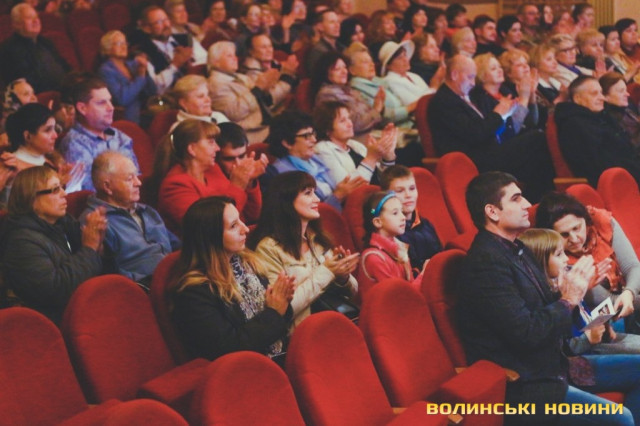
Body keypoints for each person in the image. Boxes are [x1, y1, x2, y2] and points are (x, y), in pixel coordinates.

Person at [457, 171, 639, 426]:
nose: (526, 204)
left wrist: (577, 294)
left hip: (560, 365)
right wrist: (568, 299)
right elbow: (528, 333)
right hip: (531, 386)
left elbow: (549, 309)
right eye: (516, 199)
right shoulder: (485, 264)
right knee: (621, 418)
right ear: (493, 212)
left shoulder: (516, 248)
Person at [170, 196, 294, 361]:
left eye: (240, 220)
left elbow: (280, 321)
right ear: (211, 236)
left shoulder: (248, 263)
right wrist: (275, 312)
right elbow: (229, 347)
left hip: (281, 353)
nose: (245, 229)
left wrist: (283, 301)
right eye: (234, 226)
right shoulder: (193, 292)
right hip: (245, 368)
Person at [428, 54, 554, 202]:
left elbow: (492, 130)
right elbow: (475, 134)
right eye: (470, 77)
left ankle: (538, 200)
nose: (473, 83)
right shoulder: (444, 101)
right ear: (455, 75)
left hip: (489, 150)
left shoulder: (467, 96)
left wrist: (505, 115)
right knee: (536, 140)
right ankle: (542, 200)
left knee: (535, 146)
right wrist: (498, 114)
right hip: (472, 160)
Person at [250, 171, 358, 329]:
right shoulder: (268, 248)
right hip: (302, 332)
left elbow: (353, 291)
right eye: (308, 193)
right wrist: (327, 272)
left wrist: (342, 276)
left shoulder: (316, 238)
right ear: (286, 201)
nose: (317, 199)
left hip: (334, 322)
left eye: (314, 192)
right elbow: (282, 310)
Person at [1, 166, 106, 324]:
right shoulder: (21, 242)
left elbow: (97, 269)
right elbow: (56, 291)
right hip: (49, 323)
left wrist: (99, 245)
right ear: (32, 200)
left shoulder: (63, 223)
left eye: (62, 187)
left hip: (81, 309)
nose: (64, 194)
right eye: (55, 190)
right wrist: (90, 248)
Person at [520, 227, 640, 355]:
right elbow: (562, 346)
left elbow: (584, 320)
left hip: (598, 341)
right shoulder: (547, 297)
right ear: (540, 261)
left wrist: (603, 324)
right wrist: (588, 339)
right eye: (559, 254)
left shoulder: (566, 281)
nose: (566, 259)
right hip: (586, 351)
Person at [536, 191, 640, 332]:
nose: (575, 239)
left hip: (628, 297)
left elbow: (632, 266)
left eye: (577, 228)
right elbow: (609, 302)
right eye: (564, 235)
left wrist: (629, 292)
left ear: (585, 219)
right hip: (602, 322)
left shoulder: (601, 222)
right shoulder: (557, 259)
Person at [83, 151, 180, 289]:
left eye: (136, 176)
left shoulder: (147, 211)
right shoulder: (95, 222)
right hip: (146, 288)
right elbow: (110, 274)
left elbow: (178, 246)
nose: (138, 183)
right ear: (107, 187)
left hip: (176, 277)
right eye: (130, 179)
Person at [154, 119, 264, 234]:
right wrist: (237, 185)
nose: (217, 148)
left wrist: (249, 182)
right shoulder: (174, 185)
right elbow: (210, 228)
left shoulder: (213, 169)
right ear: (192, 149)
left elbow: (251, 215)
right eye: (211, 142)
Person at [263, 110, 365, 211]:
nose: (314, 140)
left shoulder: (315, 159)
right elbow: (307, 213)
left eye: (313, 134)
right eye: (307, 136)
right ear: (287, 143)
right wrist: (338, 196)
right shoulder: (282, 174)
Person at [554, 75, 640, 187]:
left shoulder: (600, 116)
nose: (602, 98)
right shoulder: (575, 125)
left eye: (601, 93)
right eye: (594, 94)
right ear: (578, 98)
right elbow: (599, 165)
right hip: (614, 182)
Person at [58, 78, 139, 192]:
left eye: (110, 101)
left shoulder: (121, 137)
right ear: (82, 108)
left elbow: (136, 178)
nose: (111, 108)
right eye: (102, 103)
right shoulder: (74, 143)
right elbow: (89, 191)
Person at [358, 190, 422, 301]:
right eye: (395, 213)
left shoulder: (400, 247)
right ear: (377, 222)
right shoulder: (374, 259)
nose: (403, 217)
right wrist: (424, 276)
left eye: (401, 211)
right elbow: (399, 298)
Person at [314, 101, 396, 186]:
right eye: (342, 121)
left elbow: (384, 181)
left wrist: (388, 158)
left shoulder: (355, 145)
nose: (350, 124)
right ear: (327, 129)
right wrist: (371, 158)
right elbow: (348, 188)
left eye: (349, 118)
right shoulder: (323, 150)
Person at [379, 165, 441, 272]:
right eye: (400, 191)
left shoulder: (426, 224)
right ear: (386, 196)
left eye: (412, 189)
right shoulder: (389, 234)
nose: (408, 195)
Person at [207, 41, 269, 144]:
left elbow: (267, 101)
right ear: (216, 62)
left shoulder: (241, 77)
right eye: (229, 56)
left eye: (235, 55)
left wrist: (268, 88)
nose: (235, 58)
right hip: (251, 132)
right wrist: (257, 89)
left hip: (264, 123)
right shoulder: (215, 84)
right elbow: (235, 113)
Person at [0, 3, 70, 93]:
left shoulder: (45, 42)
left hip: (63, 90)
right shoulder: (8, 49)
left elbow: (63, 65)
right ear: (17, 24)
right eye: (29, 18)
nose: (36, 21)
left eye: (37, 17)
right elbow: (24, 83)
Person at [312, 51, 382, 136]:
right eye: (337, 69)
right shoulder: (328, 94)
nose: (344, 72)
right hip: (351, 138)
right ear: (326, 73)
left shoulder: (348, 90)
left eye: (344, 67)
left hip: (367, 132)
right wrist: (376, 109)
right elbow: (354, 124)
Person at [346, 42, 415, 128]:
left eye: (371, 61)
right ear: (352, 70)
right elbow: (382, 117)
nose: (372, 64)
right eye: (365, 62)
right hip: (395, 131)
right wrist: (410, 108)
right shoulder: (355, 91)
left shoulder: (378, 81)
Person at [129, 5, 194, 94]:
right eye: (159, 22)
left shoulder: (185, 39)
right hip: (168, 98)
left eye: (166, 20)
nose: (166, 25)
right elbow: (155, 88)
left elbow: (205, 62)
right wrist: (175, 65)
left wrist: (190, 63)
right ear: (147, 29)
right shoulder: (143, 52)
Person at [97, 30, 157, 125]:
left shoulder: (132, 65)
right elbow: (122, 99)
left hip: (146, 111)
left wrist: (144, 69)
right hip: (127, 118)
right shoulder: (106, 71)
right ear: (108, 48)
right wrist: (140, 77)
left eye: (125, 43)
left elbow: (153, 91)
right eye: (119, 44)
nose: (124, 47)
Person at [241, 33, 299, 116]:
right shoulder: (251, 73)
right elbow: (270, 100)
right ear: (251, 52)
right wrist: (287, 76)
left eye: (270, 46)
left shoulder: (274, 63)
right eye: (263, 47)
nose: (269, 50)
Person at [379, 40, 434, 106]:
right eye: (399, 58)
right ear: (389, 66)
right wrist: (434, 86)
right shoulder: (390, 81)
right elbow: (412, 103)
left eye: (405, 55)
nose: (405, 59)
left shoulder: (413, 75)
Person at [601, 71, 640, 151]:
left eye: (625, 90)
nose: (627, 94)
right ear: (605, 96)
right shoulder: (610, 120)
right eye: (621, 91)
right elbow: (631, 147)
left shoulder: (627, 106)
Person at [305, 9, 343, 73]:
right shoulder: (318, 51)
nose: (337, 25)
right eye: (332, 22)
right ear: (321, 27)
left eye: (338, 22)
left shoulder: (342, 48)